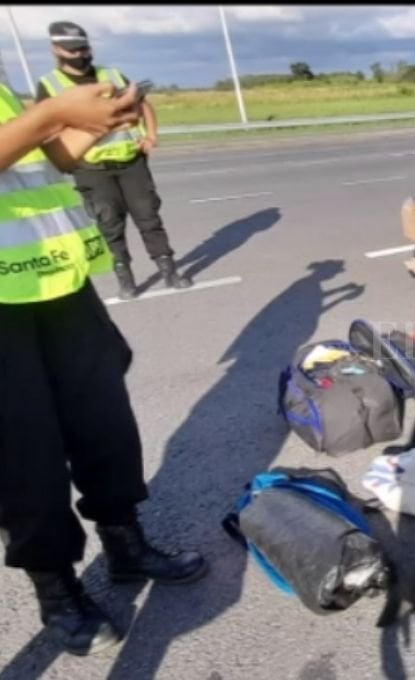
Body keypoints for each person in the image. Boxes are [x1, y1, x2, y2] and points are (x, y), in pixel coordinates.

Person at [0, 77, 207, 656]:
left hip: (54, 281)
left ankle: (125, 544)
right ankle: (57, 591)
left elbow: (40, 160)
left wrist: (93, 124)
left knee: (105, 424)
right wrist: (49, 115)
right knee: (24, 456)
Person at [35, 21, 192, 300]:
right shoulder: (50, 85)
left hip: (130, 161)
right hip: (91, 168)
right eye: (72, 50)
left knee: (149, 218)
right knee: (109, 224)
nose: (80, 55)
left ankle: (169, 271)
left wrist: (151, 136)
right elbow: (47, 131)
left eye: (84, 48)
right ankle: (126, 279)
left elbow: (142, 105)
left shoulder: (111, 75)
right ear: (55, 50)